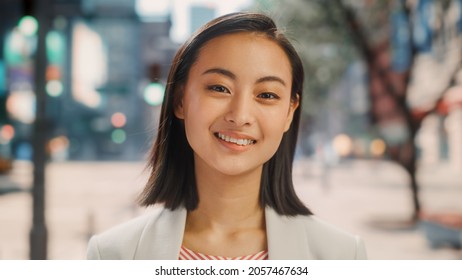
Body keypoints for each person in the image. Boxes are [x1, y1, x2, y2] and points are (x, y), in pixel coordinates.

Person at [87, 12, 367, 260]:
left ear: (289, 113)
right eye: (219, 88)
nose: (240, 115)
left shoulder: (341, 256)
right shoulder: (113, 255)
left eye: (267, 95)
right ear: (180, 100)